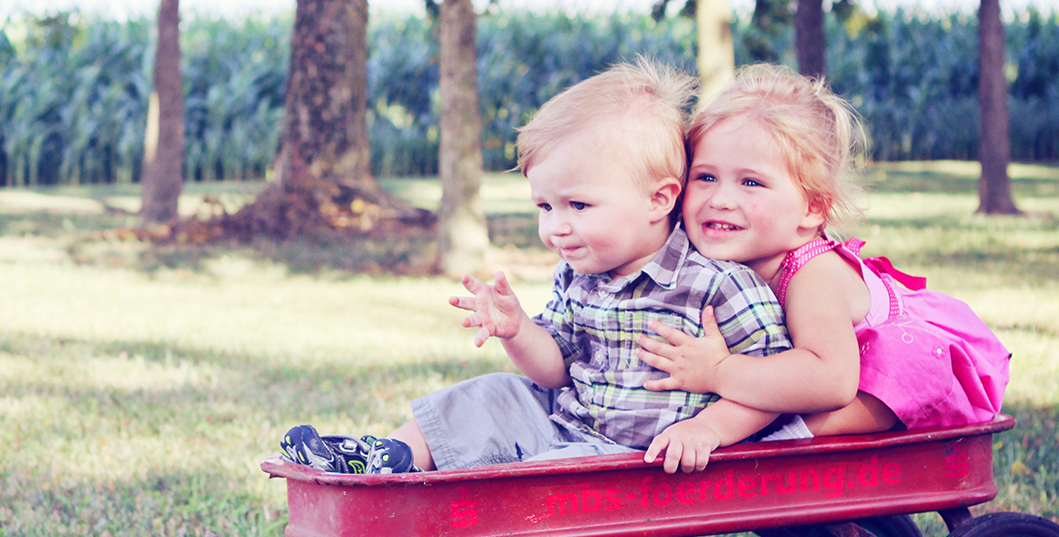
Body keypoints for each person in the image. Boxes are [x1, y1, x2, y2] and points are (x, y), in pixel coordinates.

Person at [281, 58, 799, 476]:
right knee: (492, 393)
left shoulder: (718, 285)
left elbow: (775, 387)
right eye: (544, 207)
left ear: (658, 199)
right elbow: (554, 370)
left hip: (632, 458)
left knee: (539, 478)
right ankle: (388, 459)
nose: (556, 228)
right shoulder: (579, 272)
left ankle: (422, 492)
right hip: (566, 421)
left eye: (577, 206)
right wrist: (518, 330)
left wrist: (710, 429)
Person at [636, 64, 1009, 435]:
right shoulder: (718, 257)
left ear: (812, 208)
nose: (720, 199)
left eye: (751, 182)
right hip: (828, 369)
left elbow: (831, 380)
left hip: (907, 375)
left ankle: (789, 435)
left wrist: (718, 373)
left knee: (849, 389)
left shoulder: (812, 276)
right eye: (706, 177)